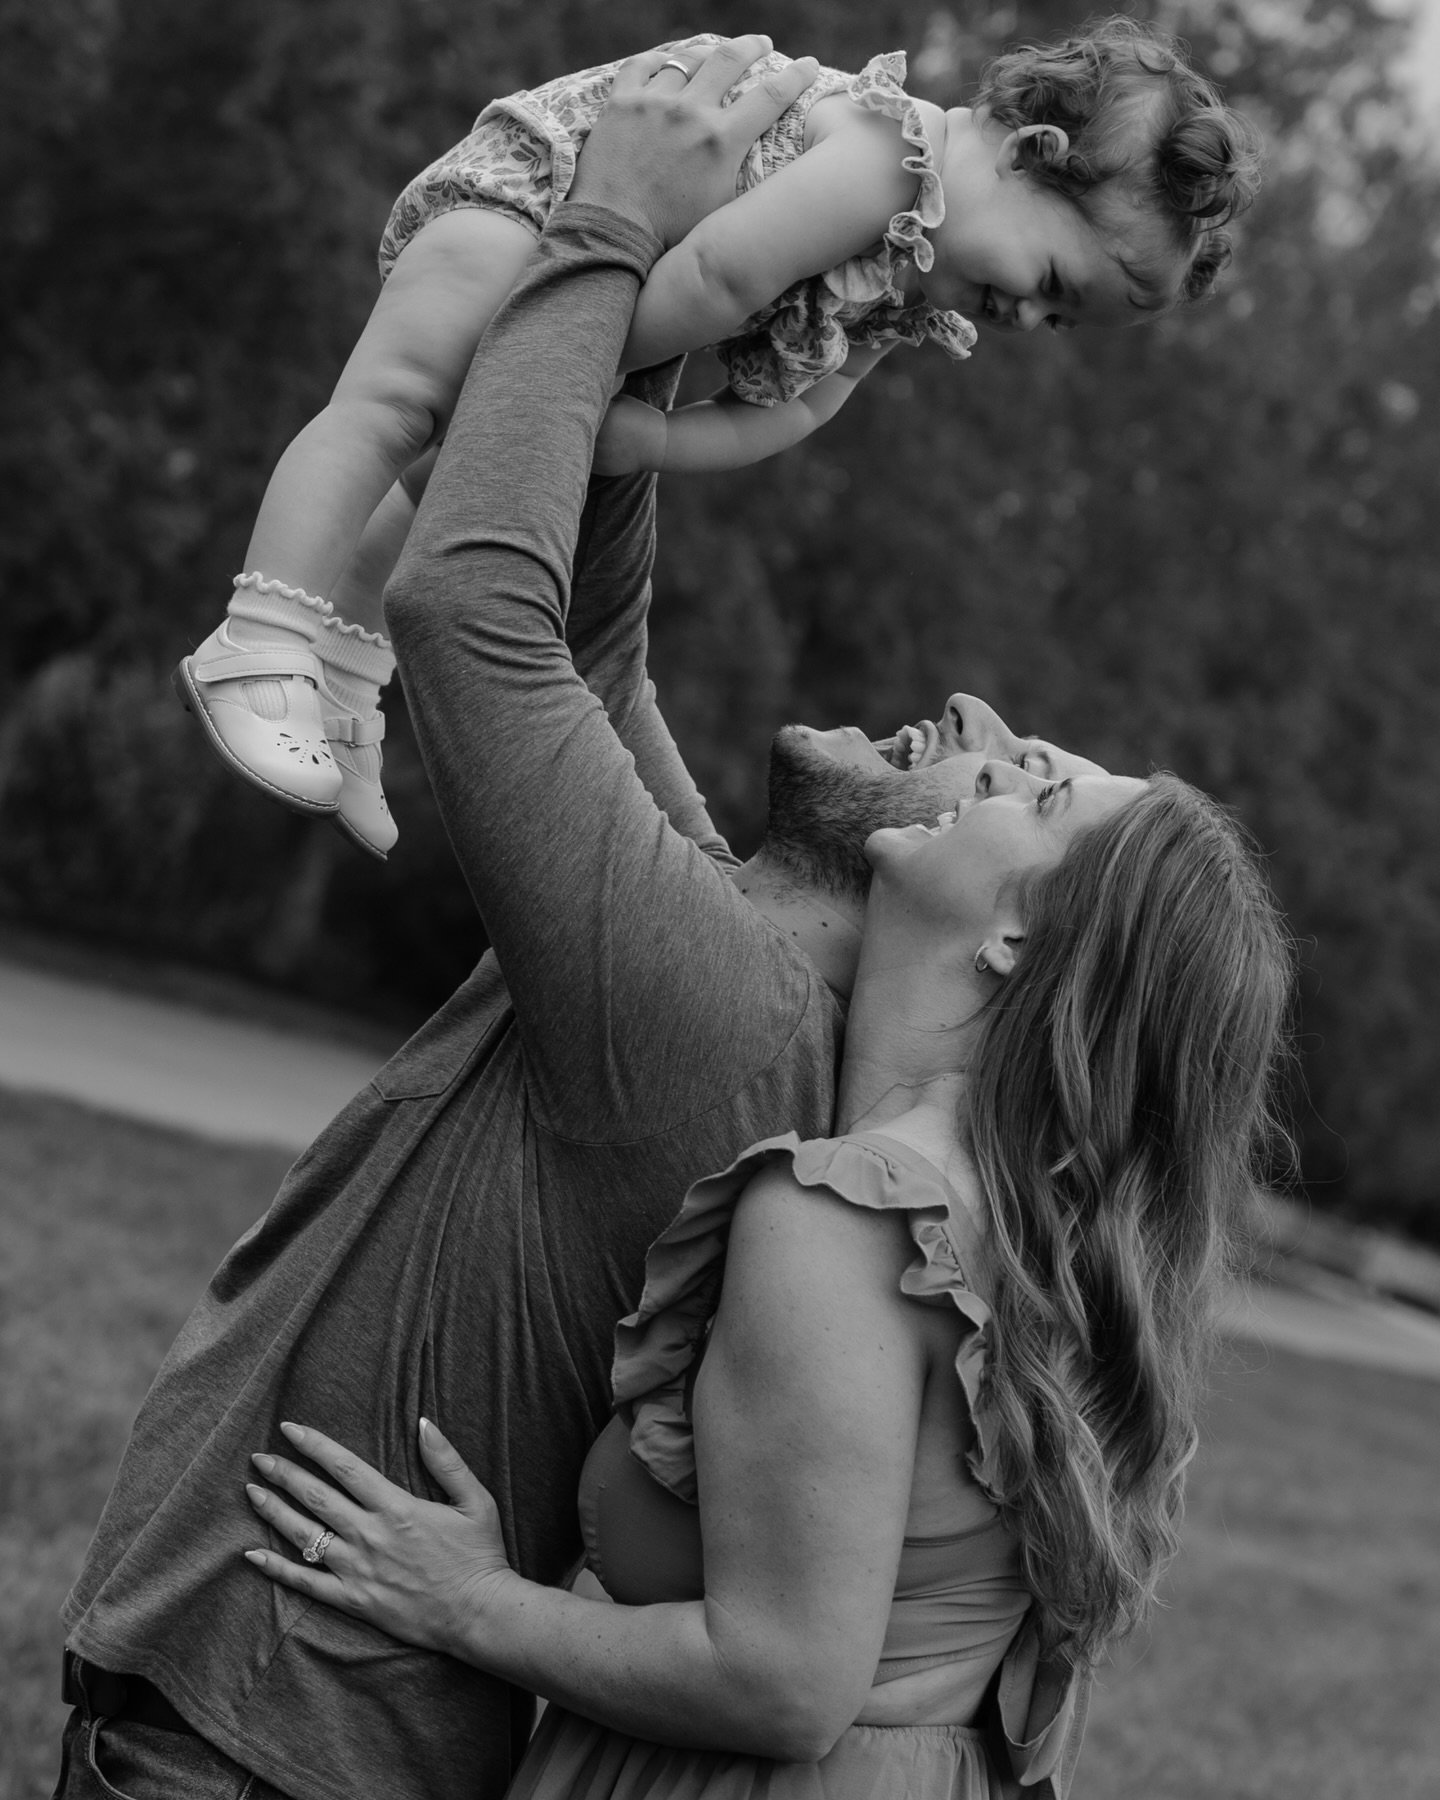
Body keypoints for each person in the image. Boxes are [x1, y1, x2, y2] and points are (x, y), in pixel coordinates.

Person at [56, 41, 1165, 1800]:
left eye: (1012, 779)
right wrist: (682, 311)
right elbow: (579, 641)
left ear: (1007, 944)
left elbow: (473, 606)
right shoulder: (744, 957)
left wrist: (605, 226)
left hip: (261, 1738)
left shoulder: (709, 1010)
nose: (962, 713)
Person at [242, 760, 1292, 1799]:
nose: (1000, 776)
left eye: (1043, 800)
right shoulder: (1029, 1235)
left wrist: (469, 1601)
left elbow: (784, 1683)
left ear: (1017, 942)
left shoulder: (848, 1214)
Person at [172, 18, 1259, 860]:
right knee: (395, 406)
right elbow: (713, 277)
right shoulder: (888, 157)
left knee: (438, 472)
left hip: (585, 284)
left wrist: (646, 438)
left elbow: (795, 411)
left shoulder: (916, 283)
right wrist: (558, 368)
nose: (1029, 319)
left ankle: (350, 684)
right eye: (1054, 283)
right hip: (534, 199)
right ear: (1030, 151)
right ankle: (259, 641)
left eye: (1061, 322)